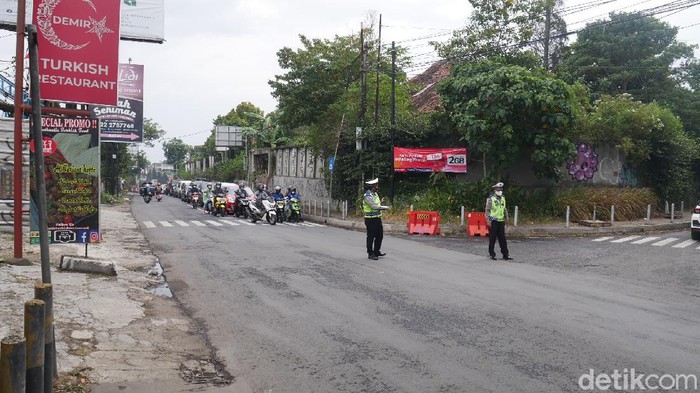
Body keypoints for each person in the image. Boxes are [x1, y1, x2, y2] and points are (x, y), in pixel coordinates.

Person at [362, 178, 390, 260]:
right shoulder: (367, 196)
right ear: (372, 187)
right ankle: (370, 253)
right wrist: (385, 208)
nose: (377, 187)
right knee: (371, 236)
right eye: (376, 185)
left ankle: (376, 251)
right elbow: (374, 206)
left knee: (379, 236)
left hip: (377, 218)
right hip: (370, 219)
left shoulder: (375, 194)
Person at [485, 182, 512, 261]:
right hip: (493, 221)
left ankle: (505, 255)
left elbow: (504, 208)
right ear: (495, 190)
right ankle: (492, 254)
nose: (500, 190)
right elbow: (487, 210)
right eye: (498, 189)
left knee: (502, 239)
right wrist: (487, 220)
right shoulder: (491, 199)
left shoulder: (503, 198)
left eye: (501, 189)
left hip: (501, 221)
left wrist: (507, 218)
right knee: (492, 238)